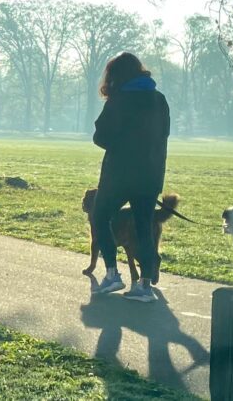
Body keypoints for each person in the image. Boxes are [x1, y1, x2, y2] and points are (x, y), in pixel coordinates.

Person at [90, 52, 170, 303]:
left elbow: (100, 136)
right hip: (150, 174)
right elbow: (163, 135)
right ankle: (145, 286)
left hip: (119, 174)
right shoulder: (159, 99)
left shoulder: (118, 100)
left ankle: (113, 274)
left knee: (100, 216)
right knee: (144, 226)